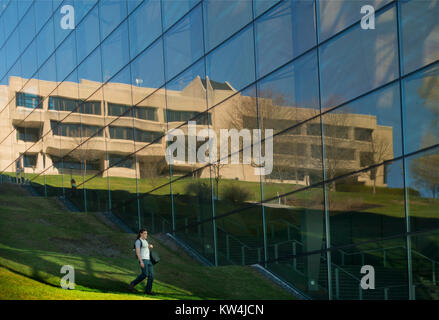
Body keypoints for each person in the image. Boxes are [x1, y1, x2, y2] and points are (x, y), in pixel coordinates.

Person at [129, 229, 155, 295]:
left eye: (146, 233)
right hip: (143, 260)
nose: (146, 235)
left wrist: (150, 246)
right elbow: (137, 252)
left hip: (149, 260)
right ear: (141, 234)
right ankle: (133, 283)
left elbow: (146, 247)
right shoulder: (138, 241)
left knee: (151, 276)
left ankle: (148, 291)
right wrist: (141, 261)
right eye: (145, 233)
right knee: (145, 274)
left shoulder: (145, 241)